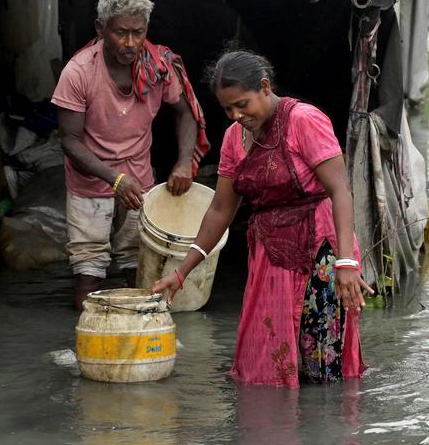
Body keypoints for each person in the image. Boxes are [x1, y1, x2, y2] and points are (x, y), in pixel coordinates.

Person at [153, 50, 371, 387]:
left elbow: (340, 190)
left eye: (242, 104)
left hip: (321, 253)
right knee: (267, 361)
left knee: (321, 364)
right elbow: (221, 209)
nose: (236, 115)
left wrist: (345, 263)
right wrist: (182, 271)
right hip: (271, 255)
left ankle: (329, 434)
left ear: (265, 87)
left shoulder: (304, 120)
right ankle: (274, 433)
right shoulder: (233, 139)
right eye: (228, 109)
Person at [52, 0, 207, 309]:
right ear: (101, 29)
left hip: (140, 178)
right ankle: (90, 342)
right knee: (88, 268)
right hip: (90, 182)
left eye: (138, 32)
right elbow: (69, 140)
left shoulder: (158, 67)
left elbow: (185, 115)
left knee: (140, 265)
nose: (131, 43)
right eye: (121, 33)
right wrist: (114, 179)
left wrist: (182, 162)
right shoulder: (79, 71)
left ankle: (139, 341)